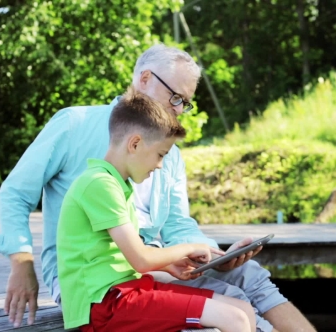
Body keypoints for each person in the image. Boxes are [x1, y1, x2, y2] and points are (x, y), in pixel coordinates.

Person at [0, 44, 315, 332]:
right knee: (227, 304)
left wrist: (213, 256)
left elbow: (177, 224)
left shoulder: (170, 155)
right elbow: (15, 193)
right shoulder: (74, 124)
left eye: (185, 103)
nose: (178, 110)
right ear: (144, 79)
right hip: (104, 279)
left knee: (249, 275)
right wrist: (22, 263)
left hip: (154, 265)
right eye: (175, 97)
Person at [57, 88, 255, 332]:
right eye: (160, 154)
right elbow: (140, 259)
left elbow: (120, 258)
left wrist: (169, 265)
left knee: (242, 310)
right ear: (136, 143)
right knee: (233, 319)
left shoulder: (118, 184)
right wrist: (190, 248)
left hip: (127, 290)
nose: (160, 165)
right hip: (104, 305)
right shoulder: (99, 184)